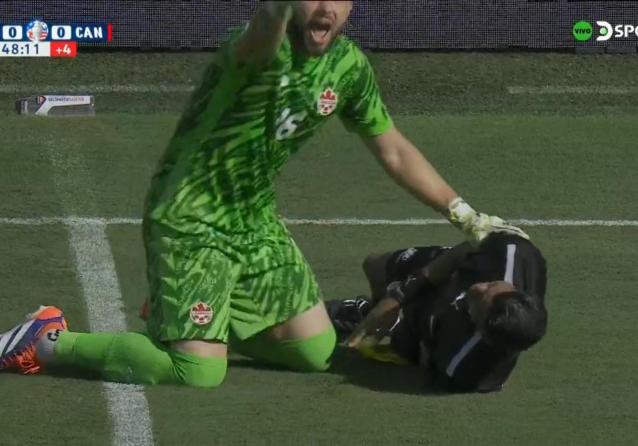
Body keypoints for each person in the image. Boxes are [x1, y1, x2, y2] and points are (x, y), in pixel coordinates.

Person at [0, 1, 527, 387]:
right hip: (190, 218)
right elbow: (261, 35)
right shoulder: (253, 50)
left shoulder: (347, 69)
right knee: (199, 373)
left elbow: (391, 149)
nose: (325, 10)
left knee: (318, 352)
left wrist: (465, 214)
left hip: (254, 222)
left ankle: (190, 312)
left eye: (338, 1)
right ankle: (48, 340)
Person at [328, 233, 547, 392]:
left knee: (405, 343)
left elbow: (424, 358)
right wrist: (397, 297)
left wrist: (405, 330)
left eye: (478, 301)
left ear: (484, 335)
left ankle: (391, 326)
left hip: (433, 328)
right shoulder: (512, 254)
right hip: (452, 272)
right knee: (374, 265)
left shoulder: (464, 367)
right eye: (491, 285)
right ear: (514, 287)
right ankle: (371, 309)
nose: (479, 288)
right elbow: (462, 251)